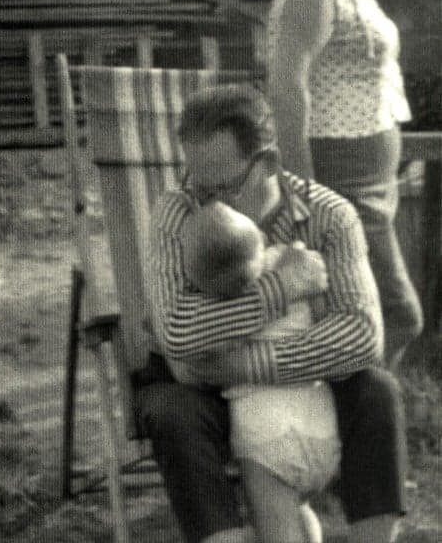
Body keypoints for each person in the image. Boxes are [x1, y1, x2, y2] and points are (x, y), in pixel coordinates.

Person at [135, 82, 407, 543]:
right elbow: (177, 330)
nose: (209, 204)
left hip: (299, 386)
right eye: (199, 185)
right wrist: (282, 288)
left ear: (269, 164)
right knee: (169, 409)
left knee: (378, 390)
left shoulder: (329, 215)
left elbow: (362, 335)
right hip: (202, 390)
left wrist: (247, 365)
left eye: (224, 188)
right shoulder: (177, 213)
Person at [265, 0, 423, 366]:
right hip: (339, 180)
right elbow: (286, 87)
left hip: (371, 180)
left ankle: (357, 403)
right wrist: (303, 192)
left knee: (363, 314)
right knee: (396, 315)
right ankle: (359, 406)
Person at [182, 199, 340, 543]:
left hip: (264, 439)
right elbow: (323, 313)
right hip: (320, 425)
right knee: (300, 509)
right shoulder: (292, 263)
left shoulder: (219, 308)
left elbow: (202, 356)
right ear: (260, 239)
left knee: (278, 531)